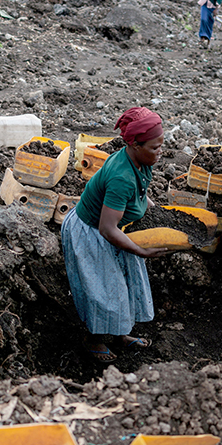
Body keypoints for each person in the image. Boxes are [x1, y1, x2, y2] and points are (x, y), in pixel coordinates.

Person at [61, 107, 169, 363]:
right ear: (133, 144)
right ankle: (93, 339)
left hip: (113, 230)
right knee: (105, 292)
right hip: (91, 234)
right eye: (155, 147)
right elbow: (106, 229)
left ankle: (120, 334)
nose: (160, 152)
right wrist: (142, 251)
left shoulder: (140, 161)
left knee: (126, 284)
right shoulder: (121, 176)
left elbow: (141, 193)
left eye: (161, 145)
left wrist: (159, 214)